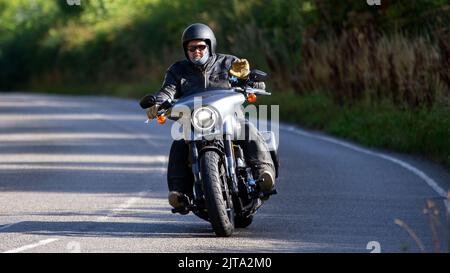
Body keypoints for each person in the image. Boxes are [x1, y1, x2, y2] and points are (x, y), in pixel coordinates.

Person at [140, 23, 276, 212]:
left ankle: (263, 174)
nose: (196, 51)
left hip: (228, 119)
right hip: (195, 123)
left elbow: (249, 81)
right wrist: (158, 103)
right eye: (192, 48)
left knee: (246, 129)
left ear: (210, 45)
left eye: (201, 47)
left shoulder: (228, 63)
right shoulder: (177, 70)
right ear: (186, 50)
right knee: (179, 142)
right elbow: (167, 91)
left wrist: (250, 80)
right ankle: (179, 194)